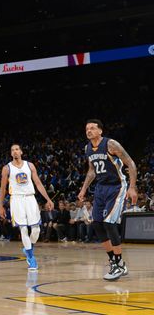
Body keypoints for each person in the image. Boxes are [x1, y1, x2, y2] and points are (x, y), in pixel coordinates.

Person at [78, 119, 138, 281]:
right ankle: (114, 261)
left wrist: (132, 187)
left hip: (117, 186)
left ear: (100, 131)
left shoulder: (111, 144)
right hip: (100, 187)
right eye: (86, 128)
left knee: (109, 223)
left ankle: (119, 264)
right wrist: (83, 189)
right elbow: (92, 170)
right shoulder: (87, 148)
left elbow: (131, 164)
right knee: (97, 224)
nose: (88, 131)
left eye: (92, 128)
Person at [0, 144, 53, 270]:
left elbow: (38, 183)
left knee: (36, 230)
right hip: (16, 199)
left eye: (17, 149)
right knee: (23, 229)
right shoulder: (7, 168)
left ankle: (28, 249)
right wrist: (1, 205)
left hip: (30, 198)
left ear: (21, 152)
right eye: (12, 150)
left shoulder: (30, 165)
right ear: (11, 153)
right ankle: (31, 258)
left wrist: (48, 199)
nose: (15, 151)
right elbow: (2, 188)